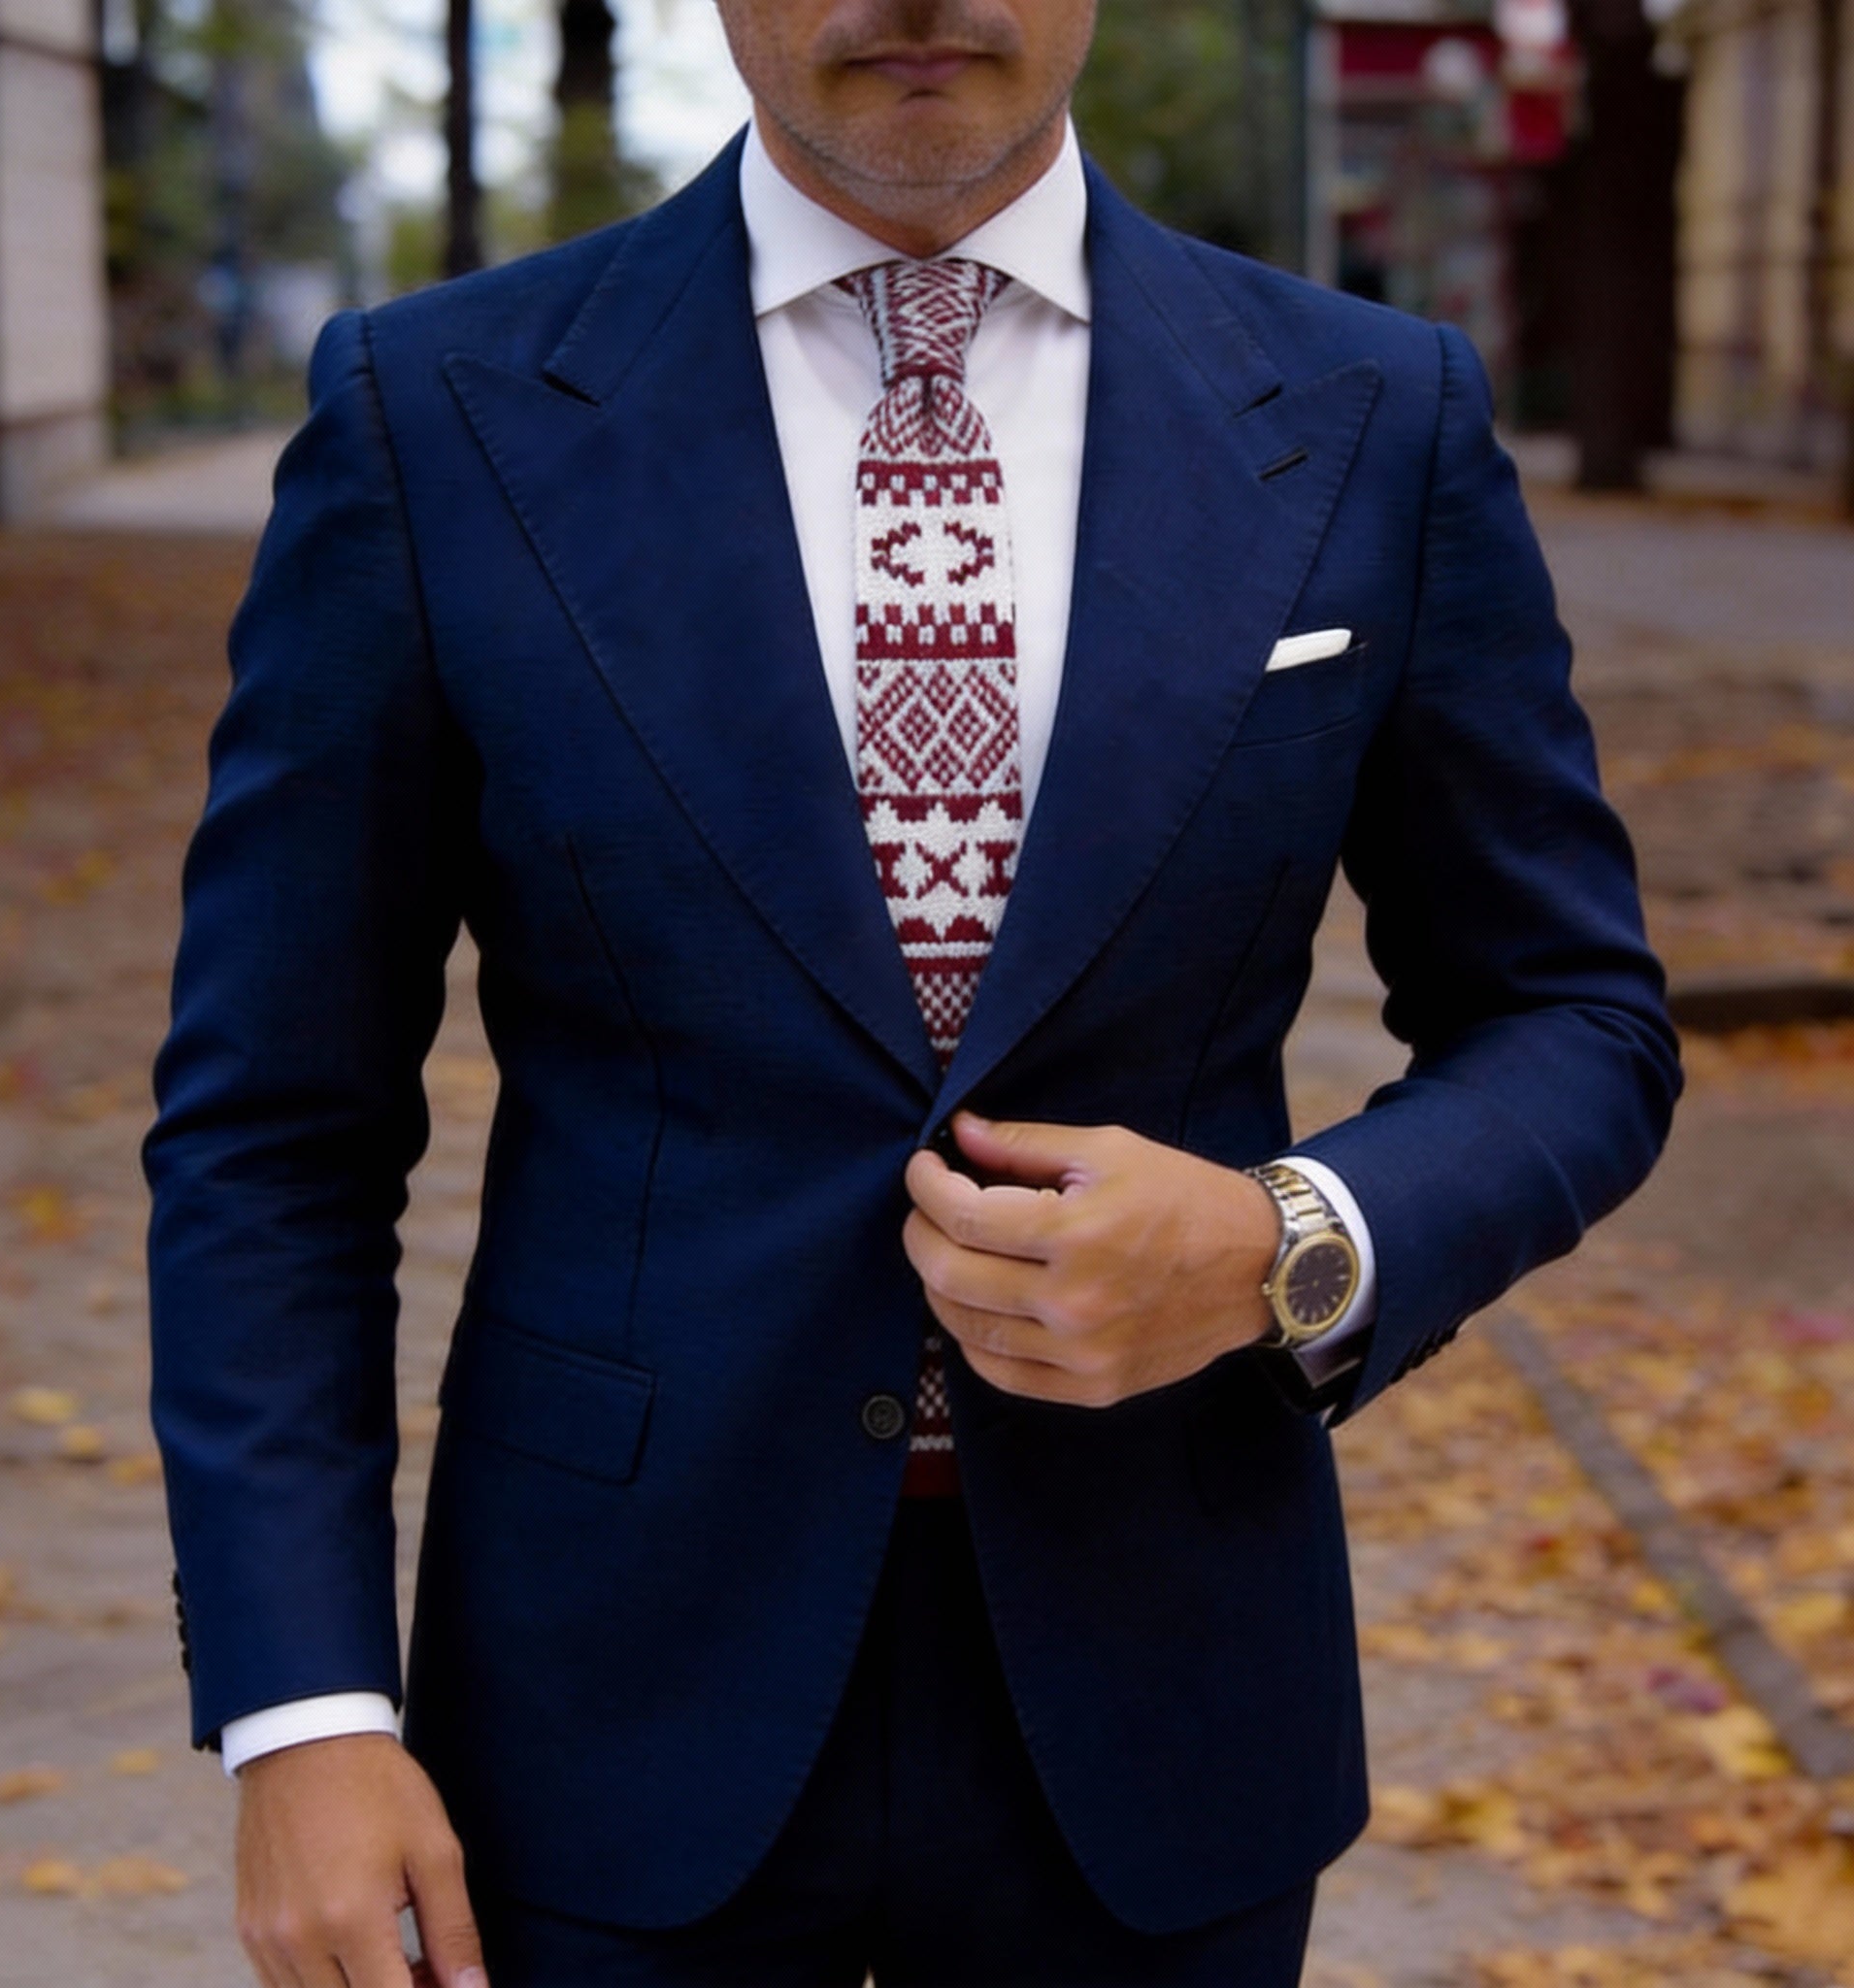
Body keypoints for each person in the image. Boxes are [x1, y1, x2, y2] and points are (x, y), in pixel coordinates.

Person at [142, 2, 1682, 1983]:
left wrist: (1288, 1243)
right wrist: (304, 1711)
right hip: (610, 1695)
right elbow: (274, 1125)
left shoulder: (1376, 413)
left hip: (1165, 1683)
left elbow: (1573, 1013)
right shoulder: (434, 415)